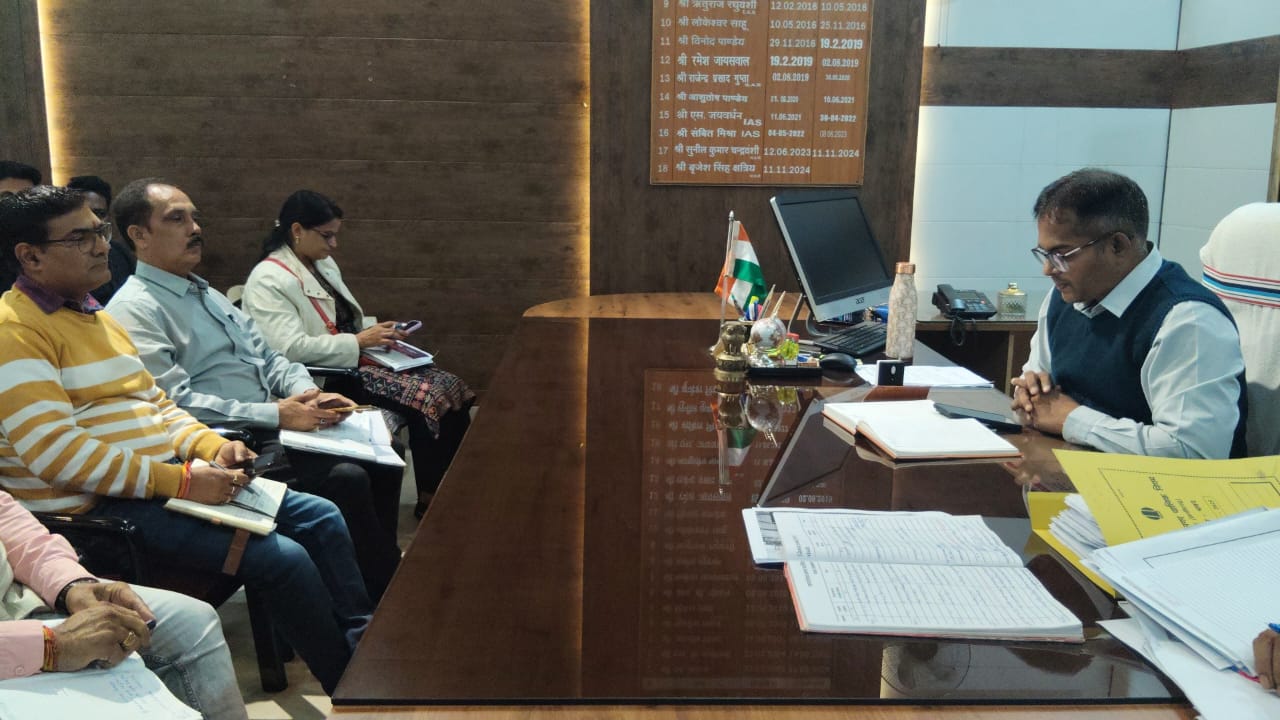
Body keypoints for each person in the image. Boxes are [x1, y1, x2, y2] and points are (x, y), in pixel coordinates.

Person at [0, 185, 372, 695]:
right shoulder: (15, 331)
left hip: (159, 483)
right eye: (81, 238)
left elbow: (158, 405)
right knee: (283, 558)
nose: (102, 246)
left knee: (322, 517)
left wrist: (209, 446)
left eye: (100, 231)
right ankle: (351, 690)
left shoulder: (95, 316)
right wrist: (181, 481)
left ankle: (365, 649)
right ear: (31, 257)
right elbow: (57, 455)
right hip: (100, 514)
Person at [104, 179, 402, 602]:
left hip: (272, 424)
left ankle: (377, 581)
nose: (194, 228)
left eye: (195, 218)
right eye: (177, 219)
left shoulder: (205, 292)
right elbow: (175, 404)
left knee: (385, 452)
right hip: (228, 447)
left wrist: (309, 393)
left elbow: (270, 357)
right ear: (139, 235)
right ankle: (367, 597)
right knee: (346, 477)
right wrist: (277, 414)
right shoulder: (135, 309)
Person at [241, 190, 474, 518]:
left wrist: (378, 332)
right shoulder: (268, 280)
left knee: (451, 386)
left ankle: (450, 488)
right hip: (332, 376)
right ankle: (431, 499)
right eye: (327, 235)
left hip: (357, 358)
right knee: (428, 397)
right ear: (297, 230)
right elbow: (288, 350)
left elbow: (340, 320)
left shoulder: (321, 263)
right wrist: (359, 341)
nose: (333, 244)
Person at [1010, 168, 1247, 459]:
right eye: (1044, 255)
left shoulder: (1188, 320)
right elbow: (1038, 386)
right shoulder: (1064, 298)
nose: (1048, 270)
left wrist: (1073, 420)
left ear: (1117, 245)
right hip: (1072, 471)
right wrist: (1030, 395)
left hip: (1162, 487)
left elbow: (1194, 453)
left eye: (1061, 255)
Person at [0, 490, 248, 719]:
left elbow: (9, 521)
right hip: (111, 505)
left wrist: (70, 585)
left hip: (21, 590)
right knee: (267, 556)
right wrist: (48, 646)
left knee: (192, 622)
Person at [67, 174, 136, 303]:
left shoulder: (120, 252)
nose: (94, 220)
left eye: (100, 213)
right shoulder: (65, 251)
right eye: (87, 212)